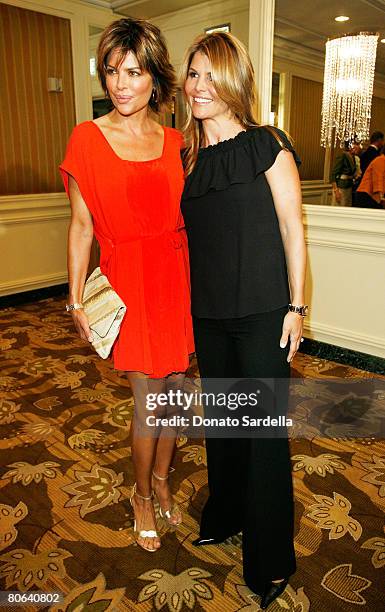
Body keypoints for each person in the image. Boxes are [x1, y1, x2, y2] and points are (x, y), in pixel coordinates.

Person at [180, 32, 306, 610]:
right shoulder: (184, 156)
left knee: (262, 435)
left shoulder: (267, 144)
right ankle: (226, 514)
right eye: (193, 74)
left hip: (261, 314)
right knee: (224, 428)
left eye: (212, 74)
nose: (200, 86)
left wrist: (297, 307)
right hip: (208, 314)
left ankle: (272, 553)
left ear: (234, 83)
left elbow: (292, 230)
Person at [60, 18, 194, 553]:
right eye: (112, 70)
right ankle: (141, 494)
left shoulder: (179, 141)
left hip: (177, 276)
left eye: (133, 72)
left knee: (178, 396)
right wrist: (73, 297)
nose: (120, 83)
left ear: (154, 79)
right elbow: (81, 226)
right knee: (150, 401)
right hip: (128, 281)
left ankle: (162, 480)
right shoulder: (87, 139)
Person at [331, 141, 361, 206]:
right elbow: (333, 174)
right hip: (341, 188)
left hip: (349, 187)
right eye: (356, 144)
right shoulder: (342, 155)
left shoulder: (354, 157)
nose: (359, 147)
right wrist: (336, 191)